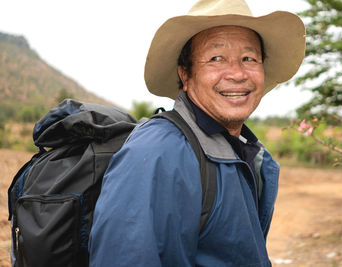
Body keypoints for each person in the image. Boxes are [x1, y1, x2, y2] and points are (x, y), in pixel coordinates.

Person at [88, 0, 305, 266]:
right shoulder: (158, 152)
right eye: (216, 58)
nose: (237, 74)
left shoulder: (248, 153)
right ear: (186, 74)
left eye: (248, 58)